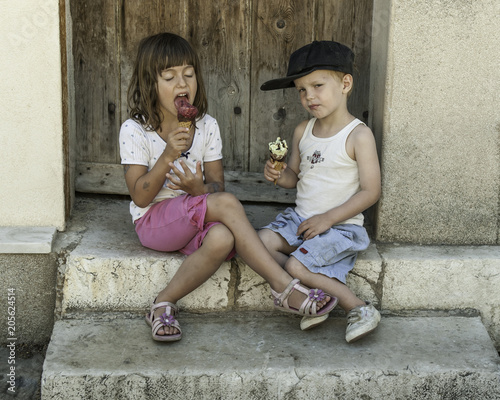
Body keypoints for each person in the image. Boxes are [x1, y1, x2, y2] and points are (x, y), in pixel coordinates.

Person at [119, 33, 338, 342]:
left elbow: (216, 184)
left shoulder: (207, 125)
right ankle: (283, 286)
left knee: (222, 237)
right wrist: (168, 154)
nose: (182, 84)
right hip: (155, 221)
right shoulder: (135, 129)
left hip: (195, 219)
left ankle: (162, 303)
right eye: (169, 77)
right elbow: (140, 195)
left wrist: (198, 189)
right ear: (149, 84)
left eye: (189, 74)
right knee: (228, 203)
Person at [259, 40, 382, 343]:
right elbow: (295, 177)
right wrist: (278, 175)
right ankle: (314, 298)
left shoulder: (358, 135)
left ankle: (360, 307)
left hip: (338, 227)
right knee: (259, 241)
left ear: (345, 84)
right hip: (301, 219)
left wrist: (328, 218)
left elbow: (371, 191)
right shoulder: (303, 130)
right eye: (302, 89)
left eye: (317, 85)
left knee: (296, 264)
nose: (309, 96)